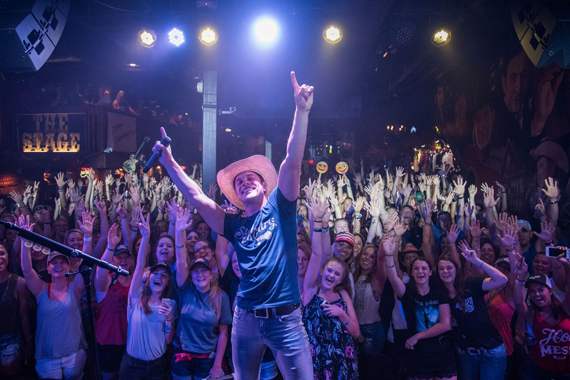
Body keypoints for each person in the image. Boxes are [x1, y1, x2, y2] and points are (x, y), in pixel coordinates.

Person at [152, 71, 314, 379]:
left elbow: (292, 159)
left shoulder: (282, 209)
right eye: (239, 182)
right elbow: (198, 198)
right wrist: (170, 163)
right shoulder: (232, 223)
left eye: (252, 177)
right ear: (236, 195)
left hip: (286, 320)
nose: (245, 181)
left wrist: (301, 111)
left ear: (265, 186)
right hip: (246, 319)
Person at [18, 215, 88, 380]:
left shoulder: (75, 287)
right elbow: (27, 270)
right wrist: (24, 240)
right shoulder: (41, 289)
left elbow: (85, 263)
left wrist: (89, 237)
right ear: (48, 268)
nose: (58, 265)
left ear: (69, 266)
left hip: (74, 354)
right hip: (47, 357)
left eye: (62, 262)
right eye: (53, 263)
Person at [383, 234, 457, 380]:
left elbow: (446, 324)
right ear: (411, 273)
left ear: (430, 272)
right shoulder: (407, 293)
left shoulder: (439, 293)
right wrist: (389, 254)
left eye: (424, 268)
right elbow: (392, 278)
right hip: (419, 355)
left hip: (443, 351)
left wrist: (417, 336)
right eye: (416, 268)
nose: (420, 271)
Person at [303, 196, 360, 379]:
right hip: (316, 359)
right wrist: (319, 221)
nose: (331, 276)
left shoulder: (343, 294)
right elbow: (320, 252)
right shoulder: (311, 290)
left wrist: (341, 313)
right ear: (321, 271)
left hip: (343, 358)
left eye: (337, 274)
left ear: (341, 279)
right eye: (329, 271)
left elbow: (356, 332)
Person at [435, 247, 509, 380]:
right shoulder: (440, 295)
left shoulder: (469, 283)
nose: (445, 271)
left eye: (449, 268)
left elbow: (502, 280)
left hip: (491, 351)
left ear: (456, 270)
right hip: (467, 353)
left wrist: (476, 261)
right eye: (441, 268)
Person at [120, 213, 176, 380]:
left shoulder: (169, 303)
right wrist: (145, 237)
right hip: (132, 366)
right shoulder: (136, 297)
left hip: (158, 366)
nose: (159, 277)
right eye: (155, 274)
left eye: (163, 276)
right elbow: (139, 266)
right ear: (148, 277)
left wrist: (169, 320)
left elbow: (167, 340)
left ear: (167, 283)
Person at [512, 251, 570, 379]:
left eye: (540, 290)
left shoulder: (565, 308)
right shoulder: (533, 313)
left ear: (550, 291)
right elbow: (519, 303)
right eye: (532, 291)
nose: (536, 294)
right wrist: (521, 277)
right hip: (536, 370)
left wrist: (567, 267)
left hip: (565, 372)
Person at [94, 224, 133, 380]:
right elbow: (100, 270)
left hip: (131, 340)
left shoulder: (135, 279)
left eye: (126, 257)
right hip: (108, 340)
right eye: (119, 257)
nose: (123, 260)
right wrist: (110, 247)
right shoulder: (106, 280)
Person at [0, 241, 32, 378]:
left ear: (8, 256)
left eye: (1, 253)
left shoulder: (19, 283)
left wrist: (29, 342)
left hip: (11, 340)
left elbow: (24, 315)